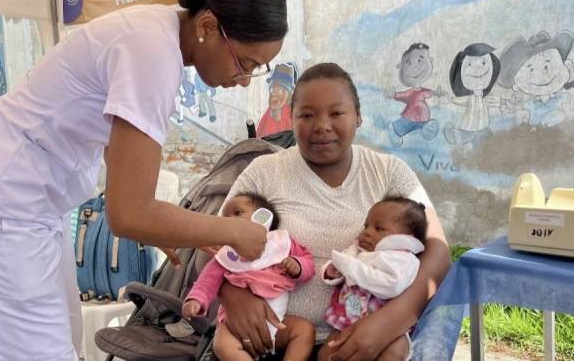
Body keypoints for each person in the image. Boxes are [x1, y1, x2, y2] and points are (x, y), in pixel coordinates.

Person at [0, 0, 287, 361]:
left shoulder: (156, 33)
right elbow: (129, 213)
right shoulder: (152, 53)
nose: (244, 80)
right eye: (245, 63)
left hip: (24, 198)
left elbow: (118, 158)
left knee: (65, 341)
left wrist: (174, 226)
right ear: (207, 27)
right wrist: (232, 231)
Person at [213, 63, 451, 360]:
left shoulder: (389, 173)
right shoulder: (264, 172)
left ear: (358, 116)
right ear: (291, 118)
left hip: (362, 345)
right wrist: (233, 296)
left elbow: (439, 252)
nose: (322, 126)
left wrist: (387, 324)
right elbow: (211, 243)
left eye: (337, 113)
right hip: (274, 340)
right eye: (307, 115)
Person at [182, 193, 316, 361]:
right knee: (222, 345)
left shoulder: (281, 243)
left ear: (263, 216)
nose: (229, 220)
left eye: (238, 213)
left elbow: (308, 264)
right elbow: (207, 281)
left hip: (278, 323)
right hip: (236, 328)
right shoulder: (227, 255)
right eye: (225, 218)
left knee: (304, 331)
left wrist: (298, 266)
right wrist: (195, 300)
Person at [318, 196, 428, 361]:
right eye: (366, 226)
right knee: (326, 354)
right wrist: (332, 271)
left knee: (393, 354)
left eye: (379, 228)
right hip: (347, 319)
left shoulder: (403, 259)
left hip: (389, 329)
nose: (367, 232)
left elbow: (391, 285)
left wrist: (352, 268)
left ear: (406, 237)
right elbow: (341, 262)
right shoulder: (358, 250)